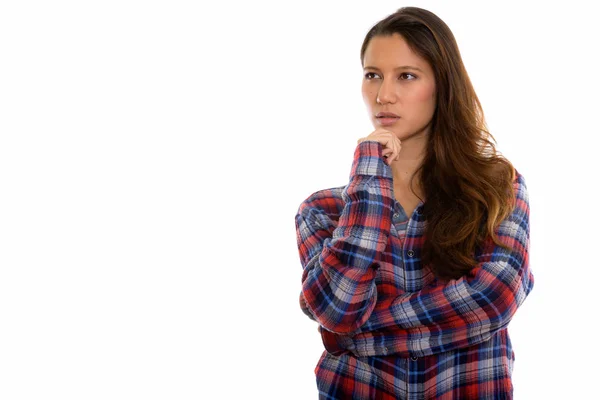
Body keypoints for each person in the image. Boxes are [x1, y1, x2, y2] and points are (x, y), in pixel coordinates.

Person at [294, 6, 534, 399]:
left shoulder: (496, 187)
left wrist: (350, 337)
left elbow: (494, 298)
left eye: (406, 76)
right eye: (373, 75)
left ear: (442, 83)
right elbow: (338, 310)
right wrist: (369, 175)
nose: (383, 95)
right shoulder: (322, 210)